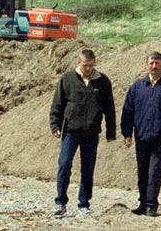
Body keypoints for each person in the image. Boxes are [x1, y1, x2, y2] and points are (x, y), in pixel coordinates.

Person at [49, 49, 116, 218]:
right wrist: (55, 125)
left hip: (91, 133)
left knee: (88, 170)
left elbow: (109, 109)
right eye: (85, 65)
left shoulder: (102, 81)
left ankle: (84, 204)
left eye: (91, 66)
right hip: (70, 132)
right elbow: (57, 104)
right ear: (78, 63)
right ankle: (60, 202)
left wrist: (111, 132)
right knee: (64, 166)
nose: (88, 69)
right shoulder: (67, 79)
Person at [121, 51, 161, 217]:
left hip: (160, 139)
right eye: (151, 63)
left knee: (154, 174)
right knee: (142, 173)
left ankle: (151, 205)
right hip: (141, 137)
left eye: (157, 63)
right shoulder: (137, 87)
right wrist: (127, 133)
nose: (154, 66)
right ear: (146, 65)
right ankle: (142, 203)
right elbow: (127, 111)